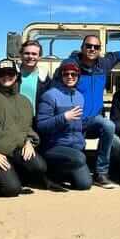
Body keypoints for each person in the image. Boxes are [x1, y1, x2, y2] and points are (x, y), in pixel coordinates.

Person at [58, 35, 120, 189]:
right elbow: (56, 87)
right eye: (88, 46)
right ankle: (71, 171)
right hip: (74, 119)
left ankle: (101, 172)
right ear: (82, 47)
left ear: (99, 50)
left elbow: (117, 55)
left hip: (94, 118)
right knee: (76, 174)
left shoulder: (103, 64)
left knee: (108, 125)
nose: (92, 49)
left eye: (96, 47)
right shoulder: (71, 66)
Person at [0, 59, 61, 196]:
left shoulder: (24, 101)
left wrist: (29, 141)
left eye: (10, 73)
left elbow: (27, 127)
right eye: (2, 74)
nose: (6, 76)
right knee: (11, 190)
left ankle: (14, 176)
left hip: (16, 149)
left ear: (16, 76)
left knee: (40, 166)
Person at [37, 59, 92, 190]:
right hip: (54, 146)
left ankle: (64, 174)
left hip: (75, 147)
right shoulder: (50, 96)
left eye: (74, 74)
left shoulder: (80, 96)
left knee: (84, 184)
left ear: (78, 77)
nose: (70, 77)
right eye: (66, 74)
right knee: (79, 158)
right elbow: (41, 125)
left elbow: (78, 125)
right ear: (60, 76)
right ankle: (51, 173)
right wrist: (64, 117)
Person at [17, 40, 51, 115]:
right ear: (21, 55)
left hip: (35, 120)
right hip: (14, 119)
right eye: (27, 53)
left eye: (34, 54)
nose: (30, 56)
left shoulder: (44, 78)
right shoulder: (12, 75)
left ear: (39, 57)